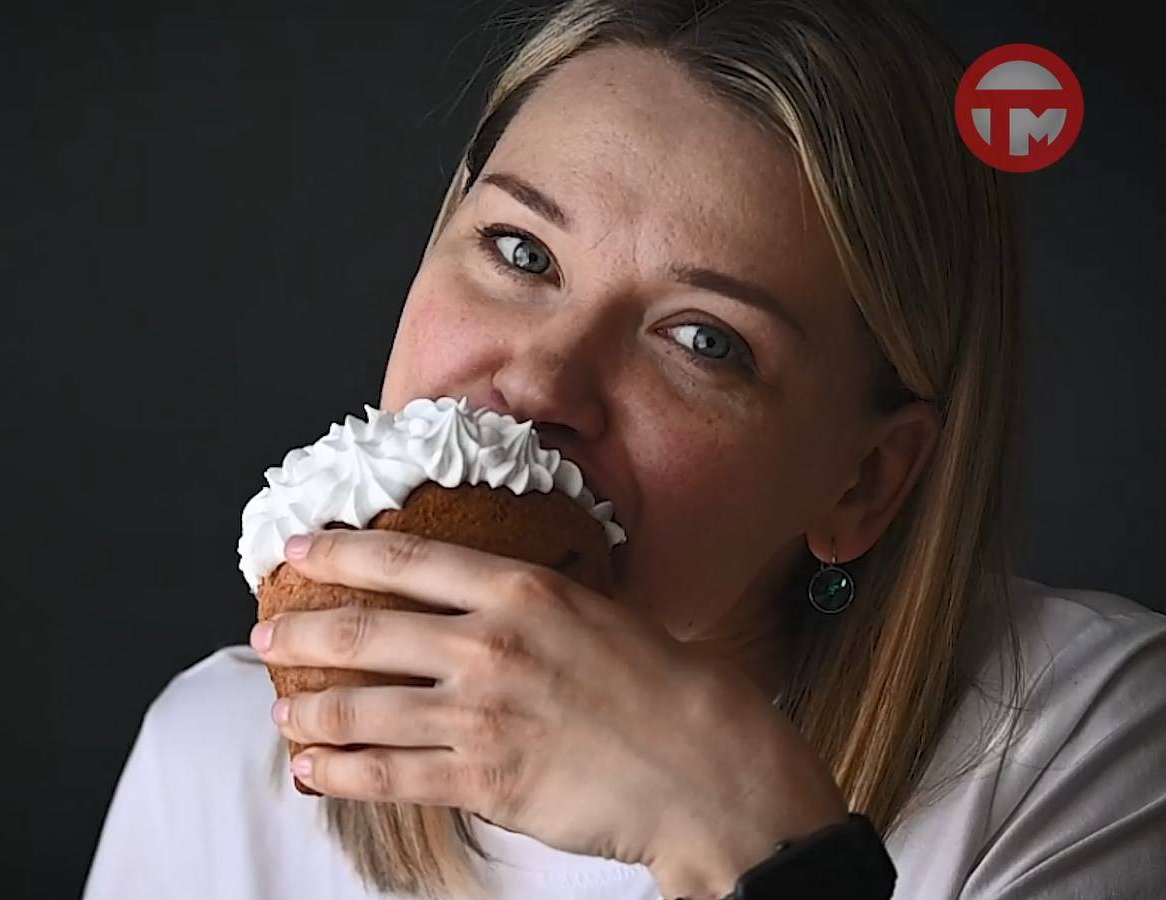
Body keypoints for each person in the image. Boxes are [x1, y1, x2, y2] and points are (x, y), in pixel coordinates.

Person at [82, 1, 1166, 898]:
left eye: (704, 341)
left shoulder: (1083, 749)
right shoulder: (222, 759)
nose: (541, 384)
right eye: (520, 251)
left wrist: (756, 847)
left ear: (863, 482)